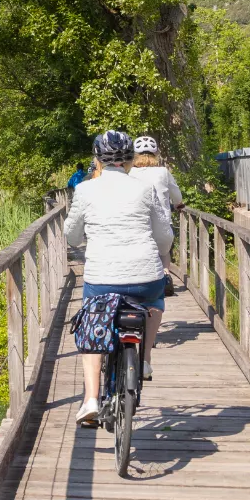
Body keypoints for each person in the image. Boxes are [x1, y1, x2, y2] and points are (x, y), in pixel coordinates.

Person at [64, 130, 173, 426]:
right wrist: (160, 251)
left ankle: (89, 400)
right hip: (146, 276)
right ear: (129, 160)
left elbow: (72, 236)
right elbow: (164, 236)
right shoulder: (144, 189)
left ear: (98, 159)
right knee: (154, 300)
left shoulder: (86, 190)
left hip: (102, 278)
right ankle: (145, 359)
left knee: (91, 323)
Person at [128, 136, 185, 221]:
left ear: (135, 155)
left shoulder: (129, 173)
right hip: (162, 222)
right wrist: (175, 205)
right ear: (156, 154)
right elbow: (178, 198)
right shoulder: (163, 172)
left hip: (138, 223)